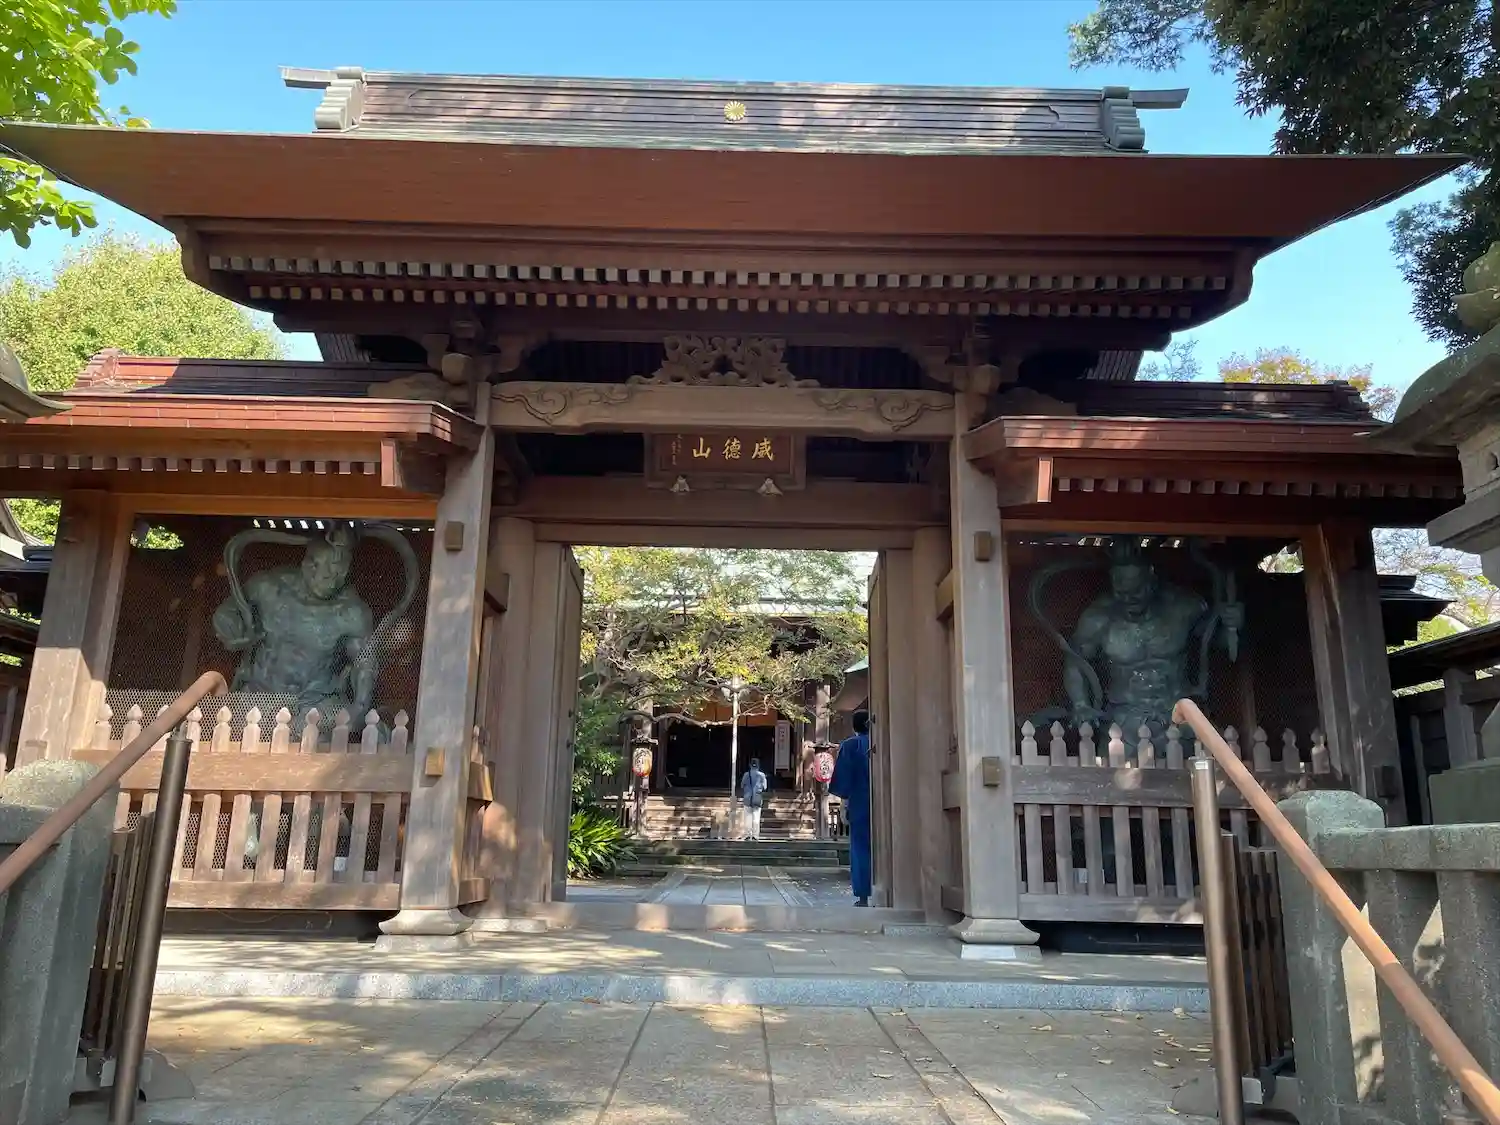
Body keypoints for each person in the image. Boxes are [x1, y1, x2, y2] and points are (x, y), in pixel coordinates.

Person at [830, 711, 872, 906]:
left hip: (860, 801)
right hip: (887, 801)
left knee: (860, 846)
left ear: (854, 726)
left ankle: (863, 895)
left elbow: (843, 781)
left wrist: (843, 803)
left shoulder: (850, 745)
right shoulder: (883, 742)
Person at [740, 757, 768, 841]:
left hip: (747, 798)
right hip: (757, 799)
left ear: (750, 765)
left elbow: (742, 785)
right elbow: (765, 787)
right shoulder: (762, 775)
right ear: (758, 765)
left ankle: (748, 834)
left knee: (747, 818)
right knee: (756, 818)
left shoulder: (746, 774)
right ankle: (755, 835)